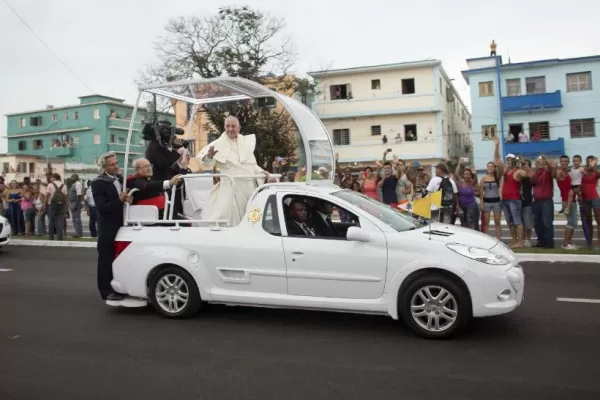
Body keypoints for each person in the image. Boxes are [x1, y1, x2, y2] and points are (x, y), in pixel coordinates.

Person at [195, 116, 269, 226]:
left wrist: (262, 172)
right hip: (229, 188)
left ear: (239, 128)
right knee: (227, 219)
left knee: (252, 219)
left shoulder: (245, 143)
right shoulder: (217, 144)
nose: (230, 129)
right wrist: (209, 156)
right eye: (227, 126)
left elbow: (251, 165)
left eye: (233, 126)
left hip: (248, 189)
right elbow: (204, 163)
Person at [91, 151, 131, 304]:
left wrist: (128, 199)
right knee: (105, 259)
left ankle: (118, 286)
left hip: (122, 224)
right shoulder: (98, 183)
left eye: (116, 163)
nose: (116, 166)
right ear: (104, 167)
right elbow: (102, 207)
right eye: (112, 164)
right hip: (107, 226)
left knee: (119, 258)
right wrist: (120, 200)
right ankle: (106, 291)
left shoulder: (120, 179)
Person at [497, 152, 528, 248]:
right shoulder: (505, 172)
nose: (509, 161)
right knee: (510, 222)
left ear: (514, 161)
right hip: (505, 200)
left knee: (517, 221)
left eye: (511, 160)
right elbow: (498, 163)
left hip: (514, 200)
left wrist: (523, 163)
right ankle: (514, 240)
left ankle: (520, 241)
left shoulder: (518, 171)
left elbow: (526, 174)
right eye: (508, 160)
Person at [530, 156, 557, 248]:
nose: (538, 163)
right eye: (537, 162)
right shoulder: (535, 173)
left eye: (540, 161)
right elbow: (532, 181)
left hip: (546, 201)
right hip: (536, 200)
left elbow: (553, 168)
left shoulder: (547, 171)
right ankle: (541, 241)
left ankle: (549, 242)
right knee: (537, 222)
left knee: (546, 221)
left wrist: (546, 159)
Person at [555, 155, 578, 250]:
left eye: (566, 161)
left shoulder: (567, 172)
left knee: (574, 222)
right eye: (562, 161)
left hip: (572, 199)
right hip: (566, 200)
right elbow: (557, 175)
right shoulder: (560, 172)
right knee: (571, 222)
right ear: (560, 162)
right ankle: (565, 243)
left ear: (568, 162)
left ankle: (569, 242)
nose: (564, 163)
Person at [580, 155, 600, 249]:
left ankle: (599, 242)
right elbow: (584, 172)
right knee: (588, 221)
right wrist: (590, 166)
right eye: (588, 161)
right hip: (585, 199)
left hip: (594, 197)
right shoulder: (583, 170)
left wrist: (594, 167)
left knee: (598, 220)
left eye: (591, 161)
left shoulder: (596, 172)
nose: (589, 163)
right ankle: (590, 243)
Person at [46, 174, 68, 241]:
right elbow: (65, 197)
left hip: (51, 205)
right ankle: (60, 236)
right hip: (61, 206)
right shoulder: (64, 186)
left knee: (51, 221)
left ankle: (51, 236)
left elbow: (47, 195)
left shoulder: (50, 185)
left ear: (54, 178)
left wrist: (44, 204)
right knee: (60, 221)